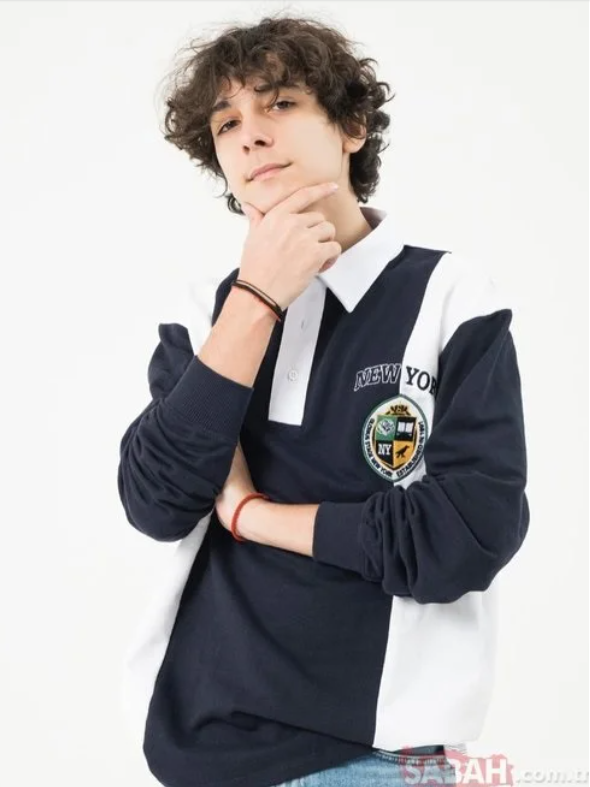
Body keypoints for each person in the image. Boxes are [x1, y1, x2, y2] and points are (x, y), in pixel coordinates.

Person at [116, 13, 530, 787]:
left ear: (351, 127)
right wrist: (258, 297)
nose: (250, 134)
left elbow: (463, 535)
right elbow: (156, 503)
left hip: (373, 758)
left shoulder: (449, 296)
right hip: (198, 752)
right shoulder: (205, 315)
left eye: (279, 103)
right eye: (227, 122)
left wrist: (249, 514)